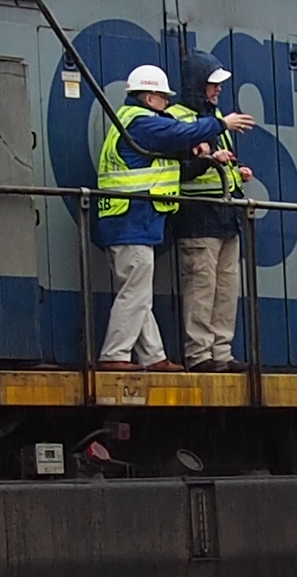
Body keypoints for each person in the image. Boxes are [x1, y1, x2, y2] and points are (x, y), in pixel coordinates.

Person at [89, 62, 220, 366]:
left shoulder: (128, 121)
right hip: (132, 222)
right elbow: (177, 132)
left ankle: (153, 356)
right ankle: (114, 354)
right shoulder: (142, 123)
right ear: (149, 98)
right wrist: (221, 124)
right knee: (134, 293)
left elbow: (163, 153)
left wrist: (192, 154)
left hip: (128, 221)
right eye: (164, 98)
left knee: (137, 292)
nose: (168, 104)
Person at [169, 64, 265, 368]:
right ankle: (199, 355)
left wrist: (237, 172)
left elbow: (220, 166)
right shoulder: (176, 120)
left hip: (226, 217)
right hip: (197, 218)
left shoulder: (217, 121)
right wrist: (209, 161)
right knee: (201, 290)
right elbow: (177, 171)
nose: (218, 89)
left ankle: (222, 354)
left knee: (226, 290)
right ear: (197, 86)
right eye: (212, 84)